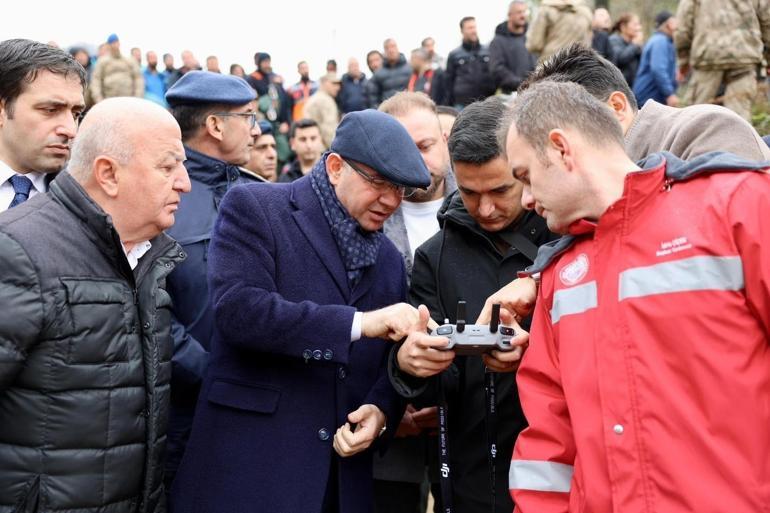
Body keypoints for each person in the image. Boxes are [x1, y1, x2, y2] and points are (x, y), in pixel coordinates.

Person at [503, 78, 770, 513]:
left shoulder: (739, 205)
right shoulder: (558, 276)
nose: (527, 200)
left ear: (561, 148)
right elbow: (550, 448)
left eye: (525, 177)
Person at [170, 109, 431, 513]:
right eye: (378, 182)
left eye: (401, 190)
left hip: (343, 483)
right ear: (334, 166)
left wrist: (381, 411)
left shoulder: (390, 260)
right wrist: (359, 324)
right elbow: (240, 311)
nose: (391, 201)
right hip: (253, 473)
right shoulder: (255, 206)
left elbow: (387, 364)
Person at [0, 96, 191, 513]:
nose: (184, 183)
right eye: (168, 166)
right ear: (108, 174)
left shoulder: (150, 259)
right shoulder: (16, 250)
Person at [390, 97, 554, 513]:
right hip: (473, 471)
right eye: (468, 192)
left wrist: (532, 348)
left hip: (562, 455)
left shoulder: (563, 233)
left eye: (500, 190)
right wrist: (410, 364)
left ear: (524, 167)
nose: (485, 208)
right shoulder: (435, 256)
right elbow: (436, 388)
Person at [162, 70, 262, 491]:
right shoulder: (163, 197)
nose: (258, 130)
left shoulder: (260, 194)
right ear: (216, 125)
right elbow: (146, 307)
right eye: (250, 117)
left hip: (257, 406)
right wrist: (208, 371)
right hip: (182, 413)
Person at [374, 90, 457, 513]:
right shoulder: (366, 219)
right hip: (391, 419)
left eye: (425, 146)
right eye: (403, 150)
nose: (417, 161)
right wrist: (390, 406)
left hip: (472, 413)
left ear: (445, 139)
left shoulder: (484, 200)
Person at [0, 39, 86, 213]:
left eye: (76, 114)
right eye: (50, 110)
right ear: (2, 110)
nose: (70, 130)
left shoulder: (91, 200)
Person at [675, 0, 770, 121]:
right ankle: (738, 138)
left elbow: (683, 28)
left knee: (696, 116)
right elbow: (767, 22)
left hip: (708, 57)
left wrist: (683, 61)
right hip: (744, 58)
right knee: (738, 118)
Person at [444, 17, 496, 108]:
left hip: (486, 103)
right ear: (462, 31)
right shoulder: (454, 55)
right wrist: (449, 105)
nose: (473, 31)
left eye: (474, 27)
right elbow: (448, 83)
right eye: (469, 28)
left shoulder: (488, 51)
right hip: (462, 105)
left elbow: (495, 74)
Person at [489, 0, 537, 96]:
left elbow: (538, 62)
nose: (523, 15)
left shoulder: (531, 37)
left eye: (524, 12)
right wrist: (521, 83)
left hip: (533, 93)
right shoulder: (498, 41)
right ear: (510, 15)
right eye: (519, 12)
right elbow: (497, 69)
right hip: (509, 95)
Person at [633, 11, 679, 107]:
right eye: (674, 22)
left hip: (652, 98)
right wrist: (669, 94)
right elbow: (658, 69)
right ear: (668, 24)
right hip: (648, 98)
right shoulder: (660, 41)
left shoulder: (663, 41)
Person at [526, 0, 592, 62]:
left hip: (550, 63)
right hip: (577, 64)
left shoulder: (546, 9)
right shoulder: (586, 12)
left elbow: (535, 45)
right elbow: (587, 43)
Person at [90, 33, 144, 103]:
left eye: (116, 42)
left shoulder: (129, 60)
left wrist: (137, 98)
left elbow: (138, 78)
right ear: (108, 45)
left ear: (119, 43)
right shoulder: (102, 61)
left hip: (129, 100)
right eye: (112, 43)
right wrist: (99, 100)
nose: (114, 45)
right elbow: (96, 80)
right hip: (108, 100)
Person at [367, 39, 411, 107]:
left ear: (397, 48)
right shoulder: (378, 74)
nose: (390, 50)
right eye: (387, 48)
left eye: (393, 46)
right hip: (387, 113)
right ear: (384, 51)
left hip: (408, 109)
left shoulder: (410, 68)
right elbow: (373, 97)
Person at [279, 118, 324, 182]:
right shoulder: (286, 179)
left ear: (321, 140)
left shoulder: (334, 171)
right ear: (292, 143)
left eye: (313, 138)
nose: (309, 145)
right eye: (303, 139)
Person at [304, 73, 342, 149]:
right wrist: (336, 150)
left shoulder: (313, 98)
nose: (338, 87)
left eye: (338, 84)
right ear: (324, 83)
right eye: (334, 83)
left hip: (312, 146)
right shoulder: (326, 101)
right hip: (323, 148)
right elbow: (329, 130)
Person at [609, 13, 643, 87]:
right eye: (635, 25)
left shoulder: (634, 43)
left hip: (634, 87)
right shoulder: (614, 40)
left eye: (639, 25)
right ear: (623, 27)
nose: (639, 28)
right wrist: (634, 45)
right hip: (620, 87)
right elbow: (620, 59)